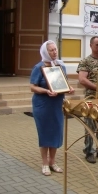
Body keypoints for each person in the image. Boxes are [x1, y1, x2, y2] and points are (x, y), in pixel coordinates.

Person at [30, 40, 74, 176]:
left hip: (57, 104)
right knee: (45, 132)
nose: (54, 52)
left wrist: (69, 88)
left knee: (56, 131)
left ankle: (52, 162)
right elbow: (32, 87)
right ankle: (44, 163)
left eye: (55, 49)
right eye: (51, 50)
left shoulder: (61, 66)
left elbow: (64, 84)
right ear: (45, 52)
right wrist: (45, 91)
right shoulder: (39, 67)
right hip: (43, 105)